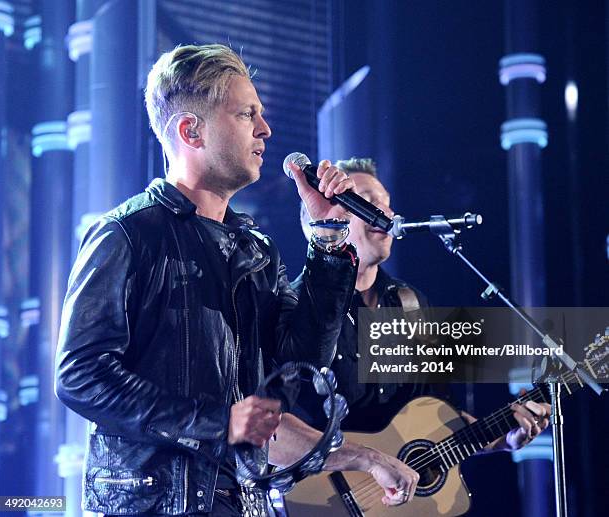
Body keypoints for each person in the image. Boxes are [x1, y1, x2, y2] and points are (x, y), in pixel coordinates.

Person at [54, 45, 419, 517]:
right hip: (153, 504)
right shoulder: (127, 234)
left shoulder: (255, 250)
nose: (265, 130)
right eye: (248, 114)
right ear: (191, 130)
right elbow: (79, 374)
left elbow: (302, 361)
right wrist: (215, 422)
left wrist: (328, 244)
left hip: (242, 501)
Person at [294, 157, 551, 449]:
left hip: (398, 491)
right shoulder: (296, 303)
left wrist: (503, 438)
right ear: (318, 220)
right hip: (317, 487)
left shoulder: (410, 304)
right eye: (365, 202)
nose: (386, 212)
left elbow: (441, 417)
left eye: (387, 202)